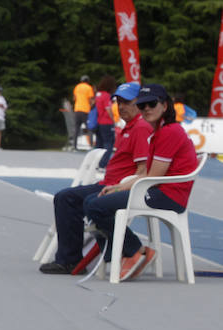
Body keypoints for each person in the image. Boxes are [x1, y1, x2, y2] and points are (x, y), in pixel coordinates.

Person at [83, 83, 199, 281]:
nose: (146, 109)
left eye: (151, 104)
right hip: (159, 190)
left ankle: (135, 251)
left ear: (164, 106)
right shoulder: (160, 132)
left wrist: (120, 187)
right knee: (91, 201)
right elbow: (149, 175)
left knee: (95, 205)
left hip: (168, 195)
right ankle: (126, 253)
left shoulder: (169, 132)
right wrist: (118, 187)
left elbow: (153, 176)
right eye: (142, 104)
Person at [40, 82, 151, 275]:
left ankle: (127, 250)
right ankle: (79, 257)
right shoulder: (129, 127)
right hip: (108, 184)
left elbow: (143, 170)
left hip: (118, 187)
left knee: (68, 199)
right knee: (68, 197)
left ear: (139, 103)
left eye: (127, 102)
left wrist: (119, 187)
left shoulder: (140, 128)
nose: (121, 106)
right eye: (119, 102)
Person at [94, 75, 117, 167]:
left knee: (99, 144)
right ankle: (103, 164)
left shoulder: (98, 95)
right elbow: (108, 109)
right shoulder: (107, 96)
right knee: (108, 144)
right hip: (107, 122)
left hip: (99, 121)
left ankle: (95, 163)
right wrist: (113, 120)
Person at [72, 75, 95, 150]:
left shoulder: (77, 87)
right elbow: (91, 100)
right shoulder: (89, 88)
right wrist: (92, 106)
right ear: (87, 81)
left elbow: (74, 98)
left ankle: (74, 146)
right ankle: (91, 145)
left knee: (76, 128)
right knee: (89, 128)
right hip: (85, 110)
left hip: (77, 109)